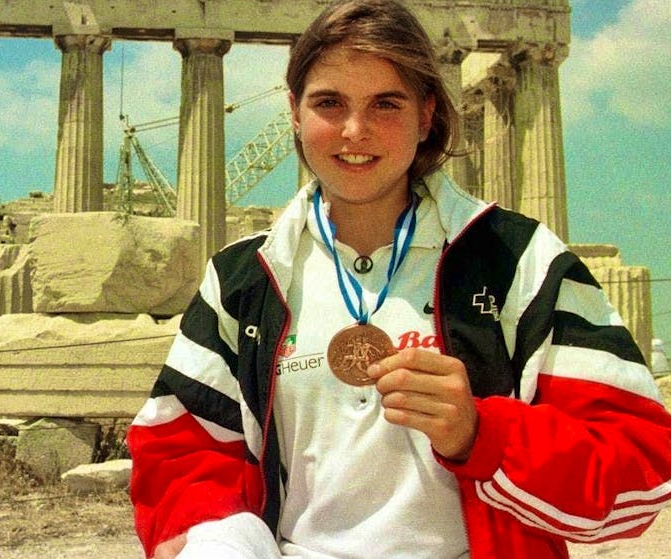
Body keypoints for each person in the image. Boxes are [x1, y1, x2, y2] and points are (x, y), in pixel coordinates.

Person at [126, 1, 671, 558]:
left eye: (386, 103)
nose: (355, 131)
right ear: (294, 111)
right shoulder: (242, 278)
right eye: (328, 103)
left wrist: (482, 434)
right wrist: (216, 537)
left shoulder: (520, 262)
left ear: (427, 112)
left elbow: (641, 468)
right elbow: (178, 453)